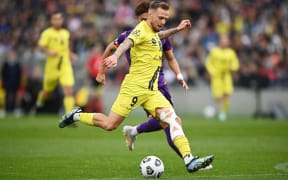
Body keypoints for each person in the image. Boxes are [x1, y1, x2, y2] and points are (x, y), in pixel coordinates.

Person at [59, 1, 214, 173]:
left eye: (165, 19)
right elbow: (127, 43)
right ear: (150, 15)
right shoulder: (140, 29)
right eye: (161, 18)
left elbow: (160, 36)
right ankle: (76, 115)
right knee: (110, 125)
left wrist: (177, 29)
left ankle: (189, 160)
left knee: (174, 120)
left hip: (152, 91)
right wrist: (116, 57)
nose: (163, 22)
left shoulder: (154, 32)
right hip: (133, 88)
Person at [96, 0, 188, 159]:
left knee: (170, 123)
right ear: (139, 19)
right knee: (172, 123)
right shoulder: (130, 34)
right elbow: (112, 47)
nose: (150, 22)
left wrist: (179, 75)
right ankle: (189, 160)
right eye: (144, 18)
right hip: (139, 86)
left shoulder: (160, 34)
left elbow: (171, 58)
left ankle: (133, 131)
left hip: (160, 86)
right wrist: (102, 70)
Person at [34, 11, 77, 114]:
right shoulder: (47, 33)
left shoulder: (66, 33)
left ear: (62, 20)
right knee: (47, 92)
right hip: (52, 68)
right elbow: (40, 47)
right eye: (55, 19)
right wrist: (49, 51)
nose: (58, 21)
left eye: (59, 19)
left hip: (65, 66)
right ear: (51, 21)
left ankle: (69, 116)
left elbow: (66, 48)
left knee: (69, 90)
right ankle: (40, 101)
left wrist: (71, 54)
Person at [205, 35, 239, 121]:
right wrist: (212, 71)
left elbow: (235, 63)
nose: (224, 42)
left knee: (227, 95)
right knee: (218, 97)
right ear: (220, 42)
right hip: (217, 76)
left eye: (226, 41)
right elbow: (208, 62)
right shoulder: (214, 51)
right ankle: (214, 109)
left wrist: (233, 68)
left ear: (228, 42)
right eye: (223, 40)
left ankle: (223, 113)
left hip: (227, 76)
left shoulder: (231, 52)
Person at [1, 50, 22, 116]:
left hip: (15, 83)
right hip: (7, 83)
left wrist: (18, 83)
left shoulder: (17, 65)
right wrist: (4, 82)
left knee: (14, 96)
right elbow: (3, 74)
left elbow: (19, 75)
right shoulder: (5, 65)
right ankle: (7, 109)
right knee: (7, 96)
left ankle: (13, 109)